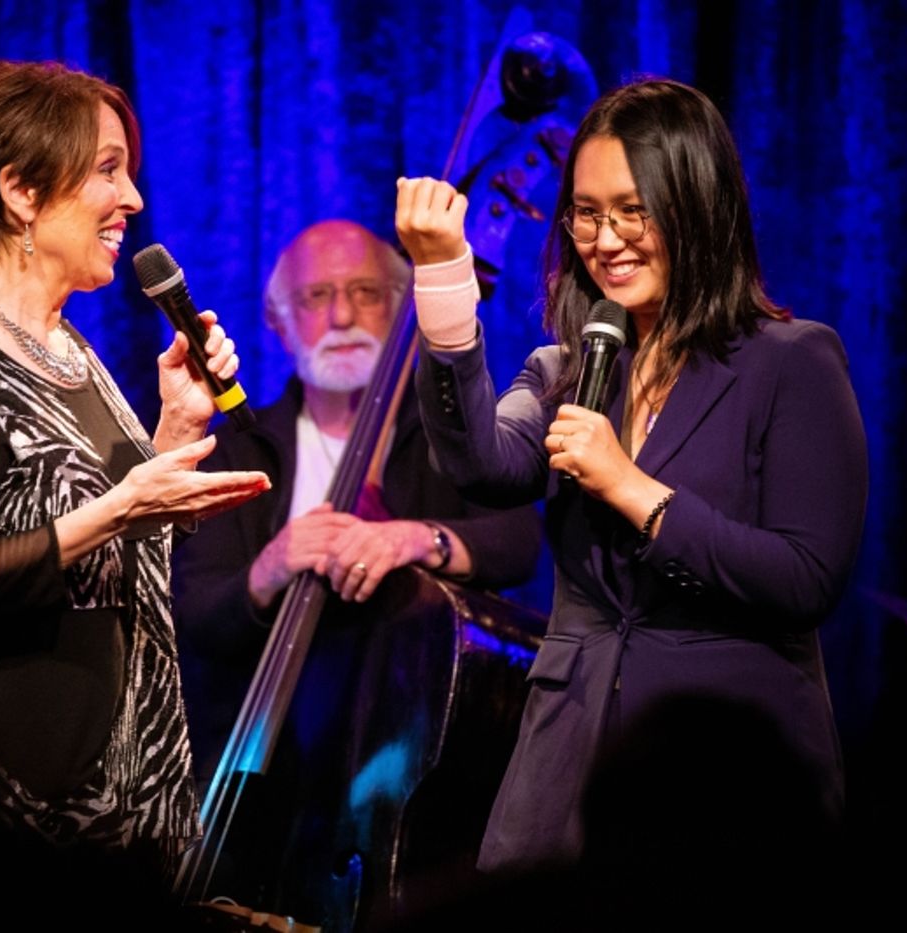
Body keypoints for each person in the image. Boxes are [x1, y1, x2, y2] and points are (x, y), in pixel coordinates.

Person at [396, 77, 868, 873]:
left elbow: (806, 578)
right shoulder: (567, 367)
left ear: (696, 205)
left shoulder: (792, 362)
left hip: (727, 775)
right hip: (562, 769)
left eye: (631, 209)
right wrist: (445, 279)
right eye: (585, 211)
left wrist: (634, 489)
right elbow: (482, 460)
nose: (605, 238)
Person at [0, 59, 269, 886]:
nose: (134, 201)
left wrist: (175, 430)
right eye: (108, 171)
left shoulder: (70, 351)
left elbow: (97, 541)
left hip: (109, 814)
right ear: (20, 191)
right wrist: (124, 506)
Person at [172, 219, 542, 787]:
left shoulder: (455, 436)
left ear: (401, 309)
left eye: (366, 293)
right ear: (280, 324)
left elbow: (520, 541)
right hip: (265, 769)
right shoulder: (236, 450)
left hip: (415, 763)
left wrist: (419, 538)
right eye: (316, 296)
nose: (342, 317)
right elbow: (194, 617)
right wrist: (269, 570)